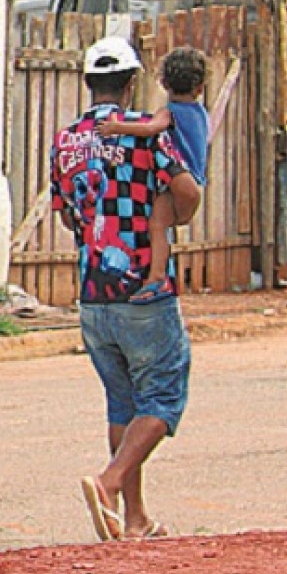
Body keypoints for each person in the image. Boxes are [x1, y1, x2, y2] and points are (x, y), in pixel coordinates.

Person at [51, 36, 202, 542]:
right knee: (161, 396)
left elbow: (69, 215)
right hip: (144, 288)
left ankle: (134, 518)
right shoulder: (143, 133)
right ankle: (109, 481)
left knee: (122, 403)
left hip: (93, 291)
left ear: (87, 82)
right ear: (133, 82)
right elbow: (184, 190)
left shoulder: (66, 140)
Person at [98, 46, 211, 277]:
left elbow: (150, 129)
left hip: (179, 178)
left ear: (163, 84)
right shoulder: (200, 112)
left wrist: (116, 127)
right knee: (165, 224)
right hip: (196, 179)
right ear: (200, 88)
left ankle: (156, 276)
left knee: (157, 225)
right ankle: (158, 274)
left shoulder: (169, 112)